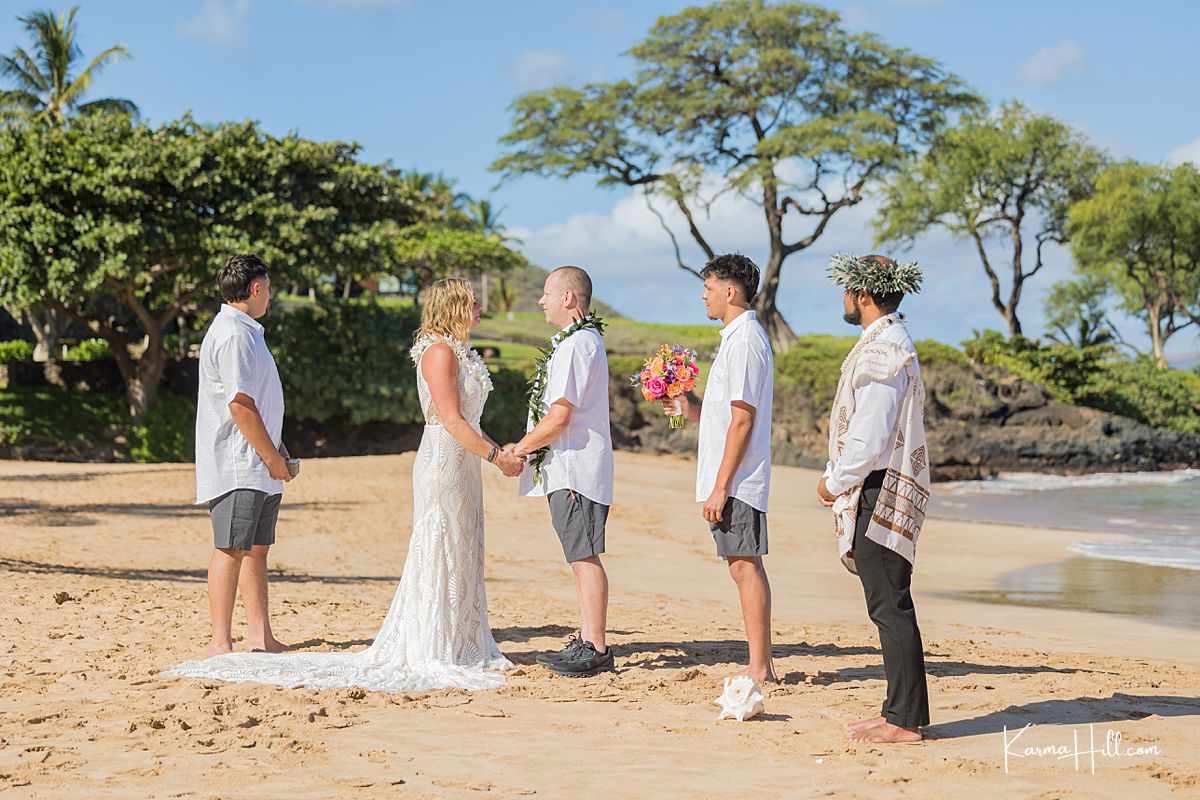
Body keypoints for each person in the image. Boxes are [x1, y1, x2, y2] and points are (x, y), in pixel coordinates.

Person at [168, 278, 524, 692]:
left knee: (462, 544)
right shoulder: (440, 352)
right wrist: (498, 456)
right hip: (443, 460)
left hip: (463, 461)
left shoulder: (457, 351)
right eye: (472, 301)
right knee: (439, 541)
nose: (480, 306)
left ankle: (456, 635)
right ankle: (221, 641)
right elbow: (450, 418)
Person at [817, 253, 931, 744]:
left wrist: (834, 481)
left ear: (863, 294)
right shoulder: (884, 342)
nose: (842, 297)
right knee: (887, 603)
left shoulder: (886, 348)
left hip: (879, 484)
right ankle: (897, 712)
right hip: (876, 481)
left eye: (846, 288)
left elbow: (870, 434)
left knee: (890, 604)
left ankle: (903, 721)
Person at [664, 253, 776, 685]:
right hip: (731, 477)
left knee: (745, 564)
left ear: (730, 291)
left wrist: (721, 486)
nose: (703, 294)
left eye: (708, 287)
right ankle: (759, 663)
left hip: (739, 479)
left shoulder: (746, 341)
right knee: (740, 564)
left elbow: (744, 419)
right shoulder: (735, 338)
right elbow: (726, 414)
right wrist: (688, 410)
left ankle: (761, 666)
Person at [508, 266, 615, 678]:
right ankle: (588, 638)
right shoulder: (581, 342)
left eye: (547, 293)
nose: (541, 300)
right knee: (580, 556)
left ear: (569, 298)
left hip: (576, 469)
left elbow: (559, 416)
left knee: (585, 556)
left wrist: (520, 448)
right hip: (571, 467)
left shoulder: (576, 345)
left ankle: (597, 647)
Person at [193, 253, 292, 658]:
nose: (270, 295)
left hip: (258, 462)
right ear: (255, 288)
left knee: (256, 549)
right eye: (267, 287)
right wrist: (271, 457)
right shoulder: (233, 333)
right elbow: (239, 404)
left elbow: (259, 401)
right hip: (240, 463)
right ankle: (221, 641)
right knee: (230, 548)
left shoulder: (247, 331)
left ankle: (259, 635)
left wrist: (279, 449)